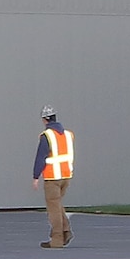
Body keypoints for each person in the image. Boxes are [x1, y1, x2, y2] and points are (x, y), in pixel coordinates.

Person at [31, 105, 75, 248]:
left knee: (53, 209)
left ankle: (57, 239)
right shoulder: (68, 135)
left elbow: (41, 157)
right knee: (57, 205)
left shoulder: (47, 136)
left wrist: (36, 176)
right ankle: (66, 231)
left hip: (52, 177)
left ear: (45, 120)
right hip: (66, 175)